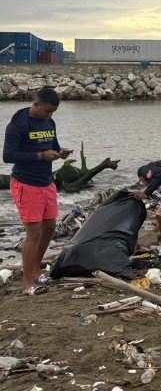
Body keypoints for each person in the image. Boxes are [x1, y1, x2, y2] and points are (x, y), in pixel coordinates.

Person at [3, 88, 72, 295]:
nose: (50, 116)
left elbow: (54, 145)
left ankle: (35, 271)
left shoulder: (49, 123)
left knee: (49, 228)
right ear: (36, 104)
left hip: (46, 181)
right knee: (33, 232)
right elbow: (8, 156)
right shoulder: (18, 124)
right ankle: (27, 285)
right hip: (26, 183)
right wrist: (41, 156)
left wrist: (60, 153)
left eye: (53, 112)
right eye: (47, 111)